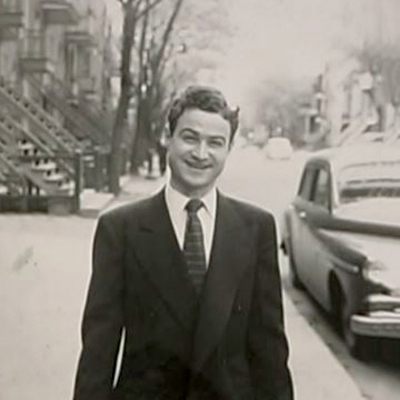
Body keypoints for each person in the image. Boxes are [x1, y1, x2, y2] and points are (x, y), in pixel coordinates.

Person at [73, 85, 294, 400]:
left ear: (229, 149)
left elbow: (270, 352)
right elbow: (98, 352)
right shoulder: (120, 229)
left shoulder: (255, 227)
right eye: (190, 138)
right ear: (168, 138)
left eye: (215, 143)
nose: (201, 154)